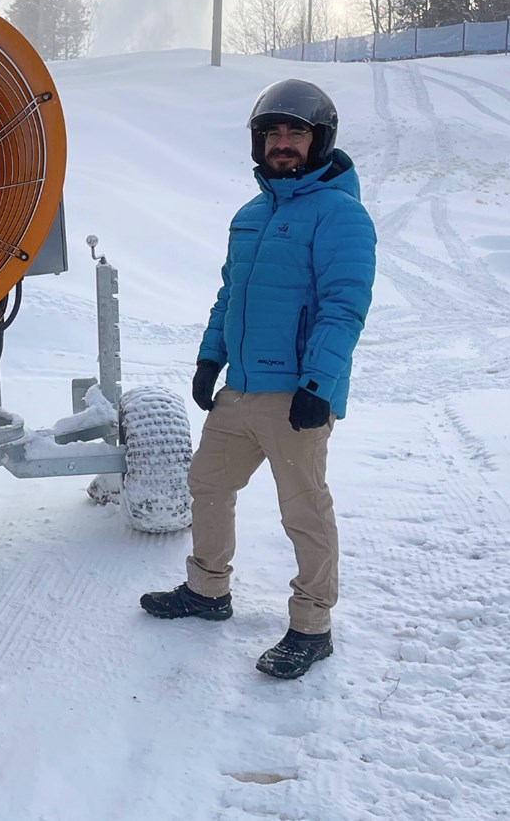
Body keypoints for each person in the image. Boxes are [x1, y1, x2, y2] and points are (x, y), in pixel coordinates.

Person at [140, 79, 376, 680]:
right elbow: (232, 295)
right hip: (241, 387)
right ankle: (208, 590)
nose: (284, 143)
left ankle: (311, 626)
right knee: (208, 484)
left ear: (319, 140)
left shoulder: (341, 215)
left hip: (296, 393)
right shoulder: (250, 215)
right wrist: (208, 358)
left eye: (297, 133)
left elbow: (343, 307)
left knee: (303, 509)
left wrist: (318, 386)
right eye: (274, 133)